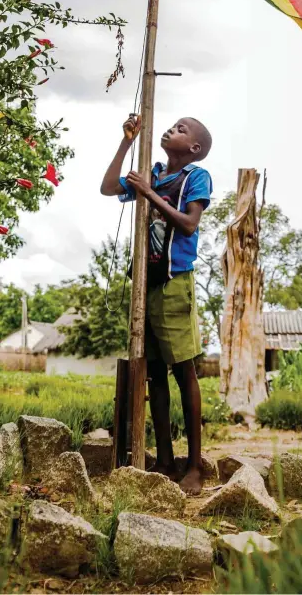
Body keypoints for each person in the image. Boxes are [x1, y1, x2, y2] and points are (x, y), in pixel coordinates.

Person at [100, 114, 213, 495]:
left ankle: (194, 466)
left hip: (173, 283)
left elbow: (188, 225)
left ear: (194, 148)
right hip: (144, 287)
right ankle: (165, 460)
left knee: (184, 373)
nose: (171, 130)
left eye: (181, 130)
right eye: (174, 125)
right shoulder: (156, 172)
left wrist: (148, 194)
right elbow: (106, 187)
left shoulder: (195, 177)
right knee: (155, 376)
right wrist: (127, 142)